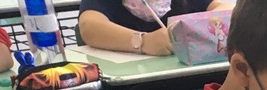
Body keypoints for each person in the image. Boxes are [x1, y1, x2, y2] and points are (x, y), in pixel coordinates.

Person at [77, 0, 233, 56]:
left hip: (191, 85)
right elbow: (88, 26)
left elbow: (225, 9)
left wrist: (198, 26)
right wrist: (143, 42)